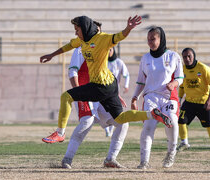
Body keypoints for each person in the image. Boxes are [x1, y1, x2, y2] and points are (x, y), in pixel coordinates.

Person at [40, 15, 172, 144]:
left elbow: (119, 36)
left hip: (100, 86)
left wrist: (128, 28)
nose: (75, 32)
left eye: (77, 29)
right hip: (110, 84)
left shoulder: (102, 39)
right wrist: (52, 55)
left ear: (84, 28)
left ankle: (60, 133)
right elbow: (69, 45)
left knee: (66, 96)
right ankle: (151, 114)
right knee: (120, 118)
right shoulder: (82, 39)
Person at [61, 45, 129, 169]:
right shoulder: (80, 50)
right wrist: (78, 92)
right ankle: (67, 159)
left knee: (123, 123)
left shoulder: (100, 48)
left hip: (102, 94)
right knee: (87, 122)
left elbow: (105, 75)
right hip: (85, 92)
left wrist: (114, 94)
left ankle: (110, 159)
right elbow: (72, 71)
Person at [131, 26, 184, 169]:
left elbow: (180, 77)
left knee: (172, 120)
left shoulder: (173, 56)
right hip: (151, 97)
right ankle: (144, 161)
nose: (150, 42)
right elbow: (141, 82)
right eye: (148, 39)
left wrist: (174, 83)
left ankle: (171, 153)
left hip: (169, 97)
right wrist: (135, 97)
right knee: (148, 126)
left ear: (161, 39)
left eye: (153, 39)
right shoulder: (145, 58)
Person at [177, 48, 210, 151]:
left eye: (189, 56)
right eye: (184, 57)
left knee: (208, 124)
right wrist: (179, 99)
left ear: (194, 56)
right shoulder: (182, 70)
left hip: (203, 102)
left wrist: (209, 101)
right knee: (181, 120)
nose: (187, 59)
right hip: (189, 102)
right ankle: (184, 143)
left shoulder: (203, 68)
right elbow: (182, 86)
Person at [104, 47, 130, 137]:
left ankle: (110, 130)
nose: (108, 52)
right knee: (103, 109)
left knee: (114, 109)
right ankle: (106, 128)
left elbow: (126, 75)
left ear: (113, 50)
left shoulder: (119, 62)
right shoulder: (103, 61)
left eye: (110, 50)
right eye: (107, 50)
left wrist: (126, 85)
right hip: (103, 88)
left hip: (115, 89)